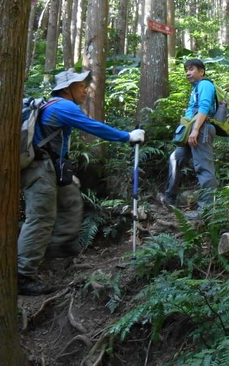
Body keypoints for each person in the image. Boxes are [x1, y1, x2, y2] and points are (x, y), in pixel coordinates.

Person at [18, 68, 145, 295]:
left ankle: (60, 245)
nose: (85, 90)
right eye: (80, 86)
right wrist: (127, 136)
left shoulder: (54, 106)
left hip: (50, 167)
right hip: (40, 169)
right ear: (67, 89)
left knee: (71, 197)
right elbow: (93, 127)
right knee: (40, 217)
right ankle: (23, 276)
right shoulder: (62, 106)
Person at [159, 59, 218, 219]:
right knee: (175, 158)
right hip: (193, 130)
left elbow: (204, 107)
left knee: (203, 167)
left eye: (191, 69)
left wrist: (196, 130)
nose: (187, 73)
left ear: (201, 71)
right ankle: (170, 198)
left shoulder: (205, 85)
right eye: (186, 70)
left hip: (201, 129)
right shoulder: (196, 88)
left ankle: (205, 211)